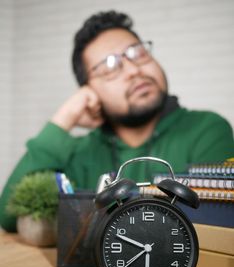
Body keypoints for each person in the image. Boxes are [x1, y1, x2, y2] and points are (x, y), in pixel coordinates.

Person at [0, 10, 234, 232]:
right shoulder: (78, 152)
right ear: (89, 90)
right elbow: (8, 216)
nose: (133, 70)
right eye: (110, 67)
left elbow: (216, 223)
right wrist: (63, 119)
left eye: (138, 53)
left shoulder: (206, 129)